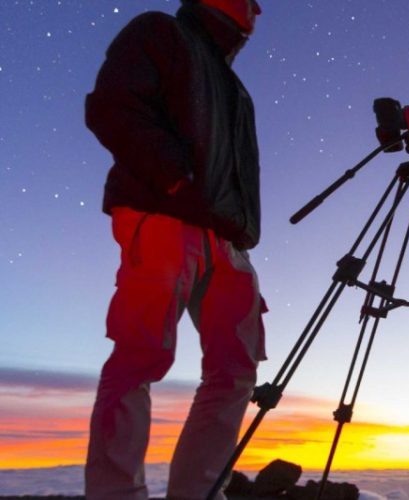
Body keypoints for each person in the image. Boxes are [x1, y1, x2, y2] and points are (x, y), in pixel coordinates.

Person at [84, 1, 265, 499]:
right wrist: (172, 178)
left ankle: (198, 492)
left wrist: (242, 231)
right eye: (250, 1)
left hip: (227, 237)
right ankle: (116, 493)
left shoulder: (235, 89)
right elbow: (111, 106)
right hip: (164, 215)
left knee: (235, 372)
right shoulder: (160, 32)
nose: (258, 10)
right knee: (141, 355)